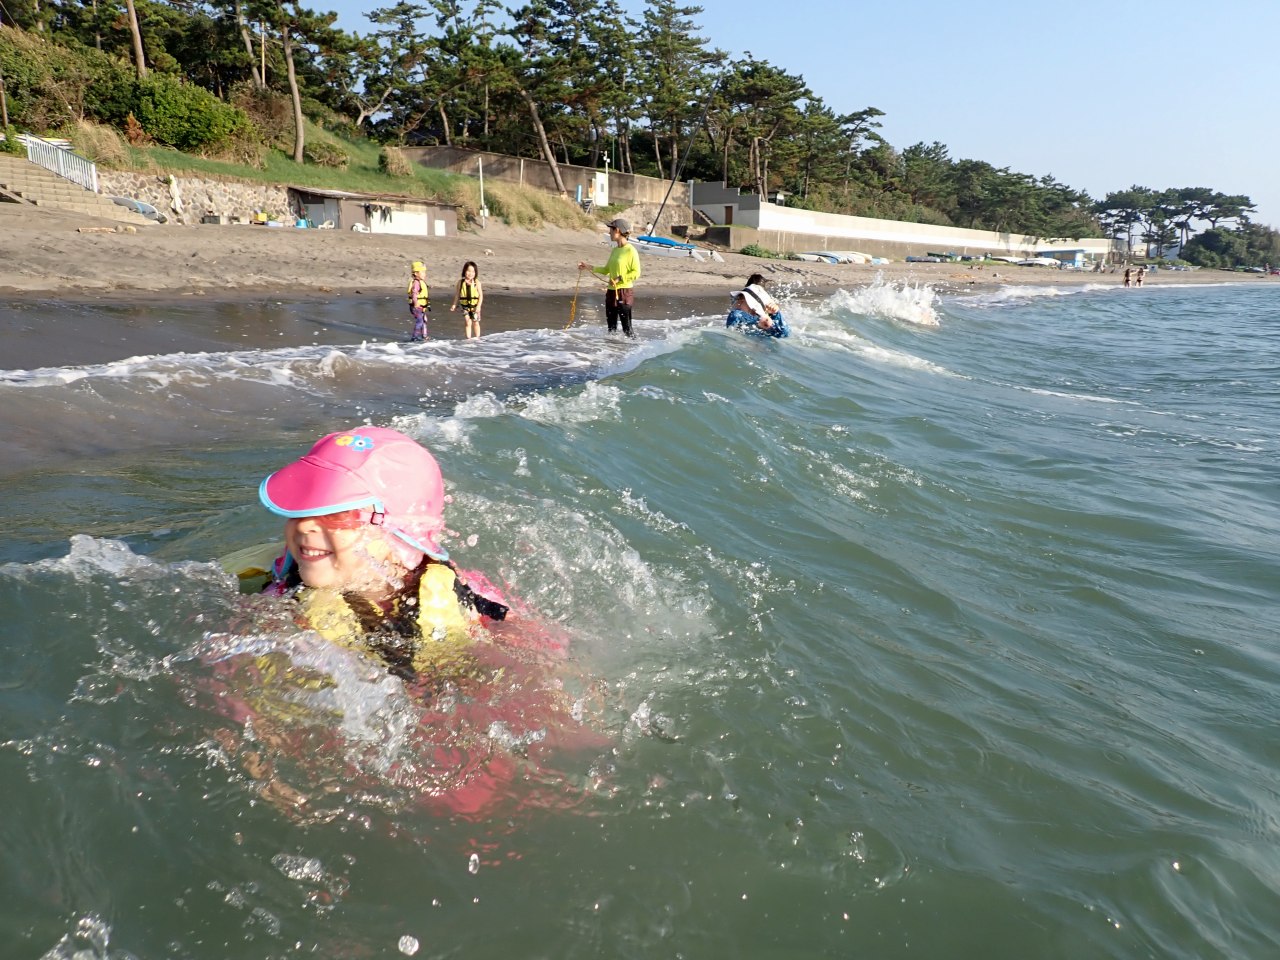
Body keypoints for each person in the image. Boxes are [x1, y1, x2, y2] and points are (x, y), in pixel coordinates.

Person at [233, 427, 510, 681]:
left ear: (400, 535)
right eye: (304, 504)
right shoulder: (279, 608)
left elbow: (517, 649)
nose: (305, 525)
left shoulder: (470, 595)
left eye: (338, 514)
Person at [577, 217, 641, 337]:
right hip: (611, 292)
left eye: (611, 230)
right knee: (611, 329)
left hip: (624, 292)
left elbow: (636, 273)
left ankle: (634, 348)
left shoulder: (631, 250)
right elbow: (607, 270)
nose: (609, 232)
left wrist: (619, 278)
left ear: (617, 230)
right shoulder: (615, 250)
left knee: (627, 330)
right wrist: (588, 267)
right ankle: (611, 348)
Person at [450, 261, 484, 339]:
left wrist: (479, 306)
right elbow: (457, 294)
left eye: (473, 271)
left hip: (475, 306)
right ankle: (468, 339)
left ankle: (477, 338)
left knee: (475, 322)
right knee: (468, 322)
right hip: (464, 306)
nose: (470, 273)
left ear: (475, 273)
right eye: (468, 271)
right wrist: (454, 304)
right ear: (464, 271)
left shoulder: (477, 283)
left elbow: (481, 295)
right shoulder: (460, 282)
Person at [407, 260, 430, 341]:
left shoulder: (420, 282)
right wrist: (416, 302)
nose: (424, 274)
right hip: (416, 306)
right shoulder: (416, 283)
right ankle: (414, 337)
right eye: (422, 272)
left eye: (424, 272)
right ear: (416, 273)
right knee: (420, 321)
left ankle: (424, 336)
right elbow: (414, 293)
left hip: (421, 306)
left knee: (424, 320)